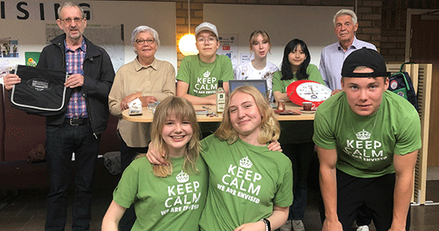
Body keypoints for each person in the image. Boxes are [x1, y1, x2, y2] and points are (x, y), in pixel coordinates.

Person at [3, 2, 115, 230]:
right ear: (60, 24)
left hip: (89, 128)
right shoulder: (49, 52)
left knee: (85, 187)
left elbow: (111, 89)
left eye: (77, 19)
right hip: (57, 128)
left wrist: (86, 82)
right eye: (67, 20)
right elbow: (38, 88)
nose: (73, 24)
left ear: (84, 22)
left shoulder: (99, 54)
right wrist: (14, 87)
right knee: (57, 188)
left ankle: (81, 227)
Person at [147, 85, 292, 230]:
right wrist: (155, 144)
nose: (241, 114)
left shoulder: (280, 162)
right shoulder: (216, 143)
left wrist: (263, 226)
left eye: (247, 106)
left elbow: (282, 211)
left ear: (262, 110)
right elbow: (178, 144)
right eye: (233, 110)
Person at [313, 47, 421, 231]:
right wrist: (331, 218)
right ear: (343, 84)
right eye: (354, 87)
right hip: (345, 172)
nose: (363, 97)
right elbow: (327, 167)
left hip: (385, 174)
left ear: (386, 84)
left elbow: (405, 174)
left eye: (372, 87)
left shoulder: (405, 115)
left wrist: (399, 224)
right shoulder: (327, 112)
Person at [102, 96, 208, 231]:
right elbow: (110, 219)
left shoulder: (204, 159)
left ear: (194, 126)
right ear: (158, 127)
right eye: (169, 123)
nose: (178, 129)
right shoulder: (138, 168)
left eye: (185, 122)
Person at [108, 25, 175, 230]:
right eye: (140, 41)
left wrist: (138, 98)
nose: (146, 44)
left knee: (160, 187)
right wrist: (129, 101)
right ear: (134, 46)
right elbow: (113, 107)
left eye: (150, 40)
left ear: (157, 45)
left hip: (162, 139)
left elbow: (171, 97)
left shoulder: (167, 68)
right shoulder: (124, 71)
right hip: (131, 138)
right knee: (130, 190)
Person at [272, 38, 325, 231]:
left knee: (302, 178)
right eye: (293, 51)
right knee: (288, 177)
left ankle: (298, 217)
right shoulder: (279, 74)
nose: (297, 55)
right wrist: (302, 92)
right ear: (287, 54)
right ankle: (284, 216)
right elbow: (278, 97)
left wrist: (290, 94)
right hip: (284, 133)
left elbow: (320, 93)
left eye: (301, 52)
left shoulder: (311, 70)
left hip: (306, 133)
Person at [319, 9, 377, 95]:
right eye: (339, 25)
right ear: (335, 29)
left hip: (361, 102)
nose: (343, 28)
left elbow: (375, 80)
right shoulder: (326, 52)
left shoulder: (369, 49)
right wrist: (331, 93)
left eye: (347, 24)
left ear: (355, 27)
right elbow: (322, 82)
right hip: (335, 103)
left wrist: (350, 92)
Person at [176, 21, 233, 105]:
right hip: (192, 111)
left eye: (211, 39)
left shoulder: (225, 61)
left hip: (218, 110)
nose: (206, 43)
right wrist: (209, 101)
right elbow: (181, 96)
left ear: (217, 44)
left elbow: (223, 93)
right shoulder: (188, 61)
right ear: (196, 45)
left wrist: (194, 100)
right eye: (201, 39)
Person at [233, 30, 279, 101]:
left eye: (264, 42)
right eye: (256, 43)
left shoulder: (274, 70)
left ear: (269, 45)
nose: (261, 47)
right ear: (251, 48)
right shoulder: (240, 69)